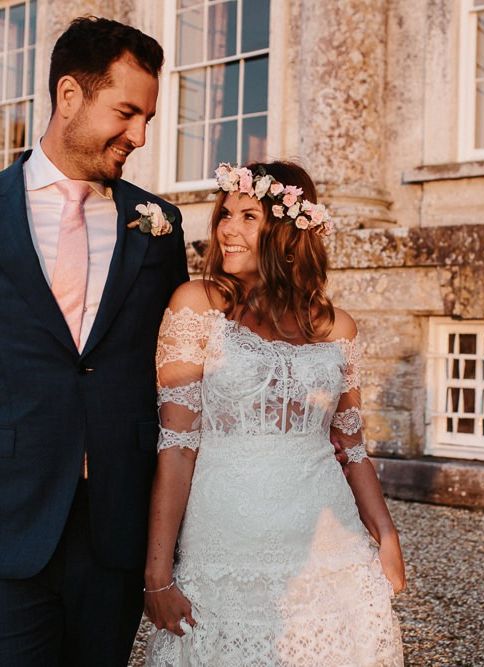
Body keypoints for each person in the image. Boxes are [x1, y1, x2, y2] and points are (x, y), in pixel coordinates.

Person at [144, 161, 405, 666]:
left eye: (248, 217)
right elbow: (176, 448)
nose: (227, 230)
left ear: (287, 232)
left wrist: (386, 536)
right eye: (225, 215)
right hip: (224, 544)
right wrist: (158, 575)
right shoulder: (195, 307)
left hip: (329, 549)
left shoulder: (338, 328)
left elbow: (351, 449)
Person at [0, 17, 188, 666]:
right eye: (127, 112)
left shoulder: (157, 225)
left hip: (117, 523)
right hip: (11, 516)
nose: (138, 136)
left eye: (148, 119)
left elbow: (179, 364)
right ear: (70, 97)